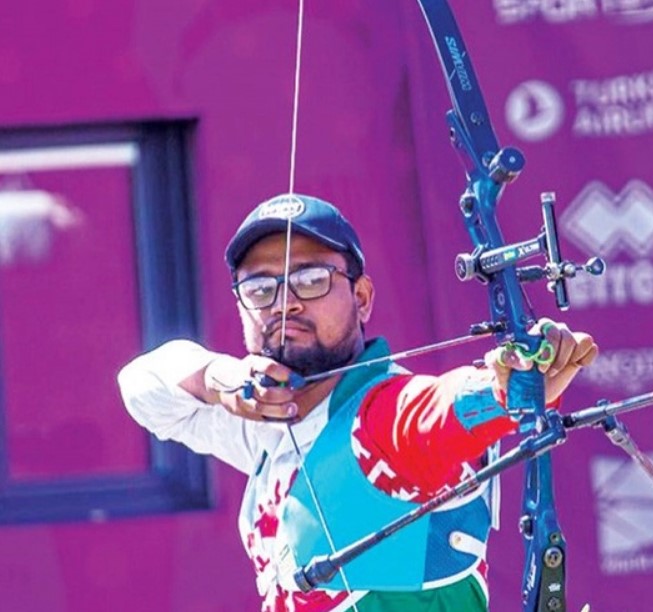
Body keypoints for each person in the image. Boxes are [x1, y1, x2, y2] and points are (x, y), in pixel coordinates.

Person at [117, 193, 598, 612]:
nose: (284, 303)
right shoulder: (267, 420)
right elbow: (140, 388)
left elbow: (435, 410)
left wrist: (508, 386)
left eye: (311, 279)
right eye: (260, 289)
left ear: (363, 297)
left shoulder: (384, 417)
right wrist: (215, 378)